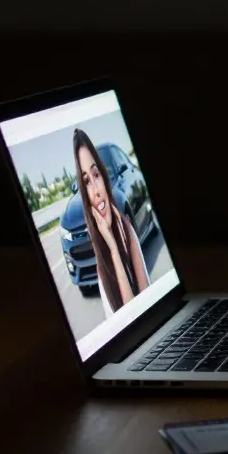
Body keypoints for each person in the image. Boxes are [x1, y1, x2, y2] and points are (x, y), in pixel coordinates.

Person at [73, 129, 150, 315]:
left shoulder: (127, 231)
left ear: (104, 177)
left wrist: (119, 242)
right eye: (86, 181)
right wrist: (113, 250)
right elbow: (130, 321)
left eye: (96, 175)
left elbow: (148, 309)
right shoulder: (102, 269)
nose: (96, 190)